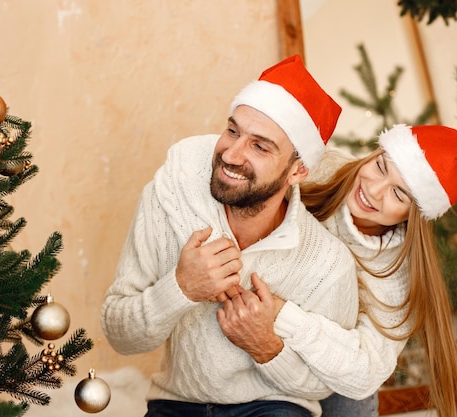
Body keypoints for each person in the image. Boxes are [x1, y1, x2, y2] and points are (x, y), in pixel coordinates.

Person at [100, 55, 363, 417]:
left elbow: (323, 384)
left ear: (298, 170)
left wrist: (266, 347)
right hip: (177, 403)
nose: (232, 154)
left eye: (260, 146)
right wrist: (181, 287)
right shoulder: (171, 193)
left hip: (273, 408)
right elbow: (119, 335)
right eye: (233, 131)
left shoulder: (327, 264)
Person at [217, 124, 457, 417]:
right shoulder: (320, 168)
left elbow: (365, 371)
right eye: (380, 166)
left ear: (412, 216)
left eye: (398, 195)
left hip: (318, 365)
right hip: (240, 331)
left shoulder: (399, 277)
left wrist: (282, 315)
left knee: (351, 394)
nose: (373, 190)